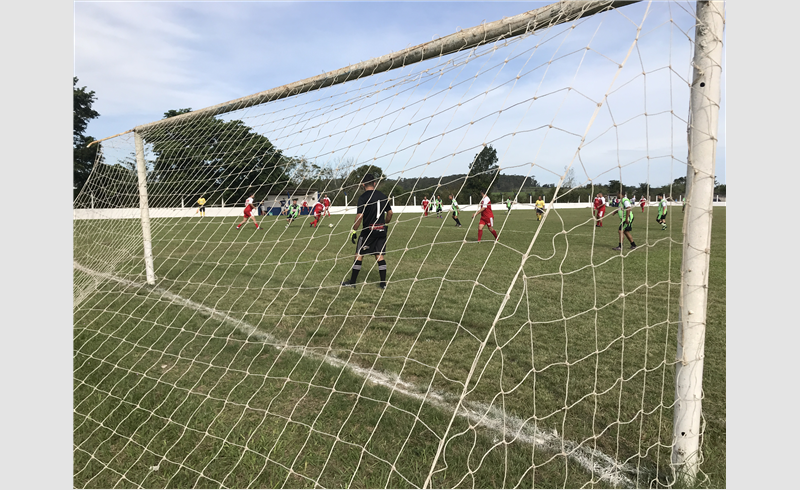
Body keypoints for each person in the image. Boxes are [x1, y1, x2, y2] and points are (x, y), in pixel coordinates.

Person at [342, 174, 393, 290]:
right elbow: (390, 213)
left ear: (363, 184)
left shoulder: (363, 197)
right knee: (379, 256)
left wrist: (353, 231)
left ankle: (352, 282)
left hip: (368, 231)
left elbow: (360, 217)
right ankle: (383, 284)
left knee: (359, 255)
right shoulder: (383, 196)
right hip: (381, 230)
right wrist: (385, 223)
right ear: (375, 184)